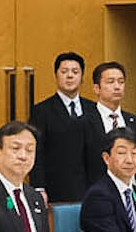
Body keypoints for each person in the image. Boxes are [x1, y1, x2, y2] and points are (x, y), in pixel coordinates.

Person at [28, 51, 96, 205]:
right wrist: (39, 187)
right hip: (56, 187)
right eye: (64, 71)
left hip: (91, 187)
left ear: (82, 77)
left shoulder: (94, 109)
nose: (70, 76)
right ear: (56, 75)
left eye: (75, 72)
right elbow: (36, 150)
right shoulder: (41, 111)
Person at [90, 60, 136, 191]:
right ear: (97, 88)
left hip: (134, 194)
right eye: (110, 82)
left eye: (121, 82)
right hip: (100, 195)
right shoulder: (83, 123)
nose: (117, 86)